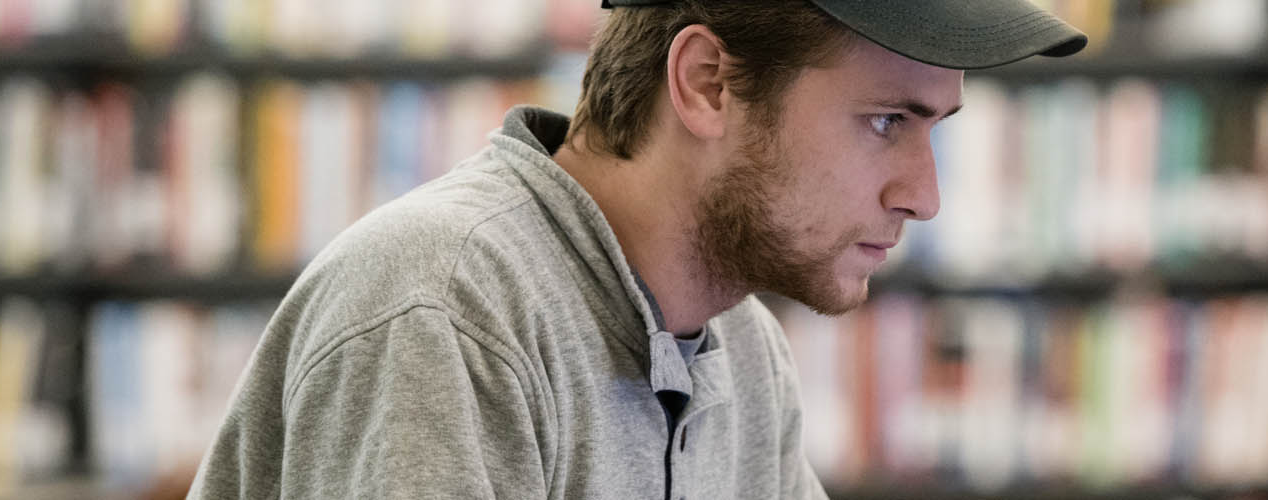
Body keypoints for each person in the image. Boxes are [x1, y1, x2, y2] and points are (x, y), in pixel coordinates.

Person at [186, 0, 1085, 498]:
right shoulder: (445, 307)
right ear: (706, 83)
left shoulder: (741, 351)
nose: (924, 196)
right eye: (886, 121)